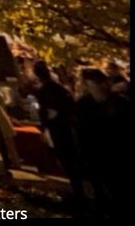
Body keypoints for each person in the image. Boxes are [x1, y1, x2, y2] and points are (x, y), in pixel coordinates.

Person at [75, 68, 130, 216]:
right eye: (98, 83)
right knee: (102, 198)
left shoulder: (120, 103)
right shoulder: (83, 106)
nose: (103, 86)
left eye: (104, 82)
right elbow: (81, 136)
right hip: (96, 158)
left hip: (119, 157)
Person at [32, 61, 82, 205]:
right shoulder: (58, 88)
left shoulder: (45, 90)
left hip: (57, 128)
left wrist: (47, 123)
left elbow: (46, 112)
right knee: (69, 158)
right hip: (63, 126)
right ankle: (77, 189)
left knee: (66, 158)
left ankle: (78, 192)